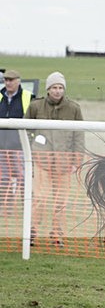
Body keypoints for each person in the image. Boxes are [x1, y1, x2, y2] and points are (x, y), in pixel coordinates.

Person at [25, 71, 84, 246]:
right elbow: (25, 130)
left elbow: (78, 136)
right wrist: (32, 150)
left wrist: (77, 161)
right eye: (54, 87)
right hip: (41, 160)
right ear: (48, 89)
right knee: (40, 198)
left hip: (65, 163)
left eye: (60, 87)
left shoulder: (74, 108)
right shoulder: (36, 106)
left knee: (61, 201)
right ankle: (32, 232)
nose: (57, 91)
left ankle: (57, 235)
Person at [0, 69, 34, 211]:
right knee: (4, 178)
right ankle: (5, 206)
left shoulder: (28, 97)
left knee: (22, 177)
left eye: (11, 80)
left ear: (18, 81)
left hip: (20, 146)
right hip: (2, 145)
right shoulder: (1, 96)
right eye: (6, 80)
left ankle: (25, 205)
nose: (8, 83)